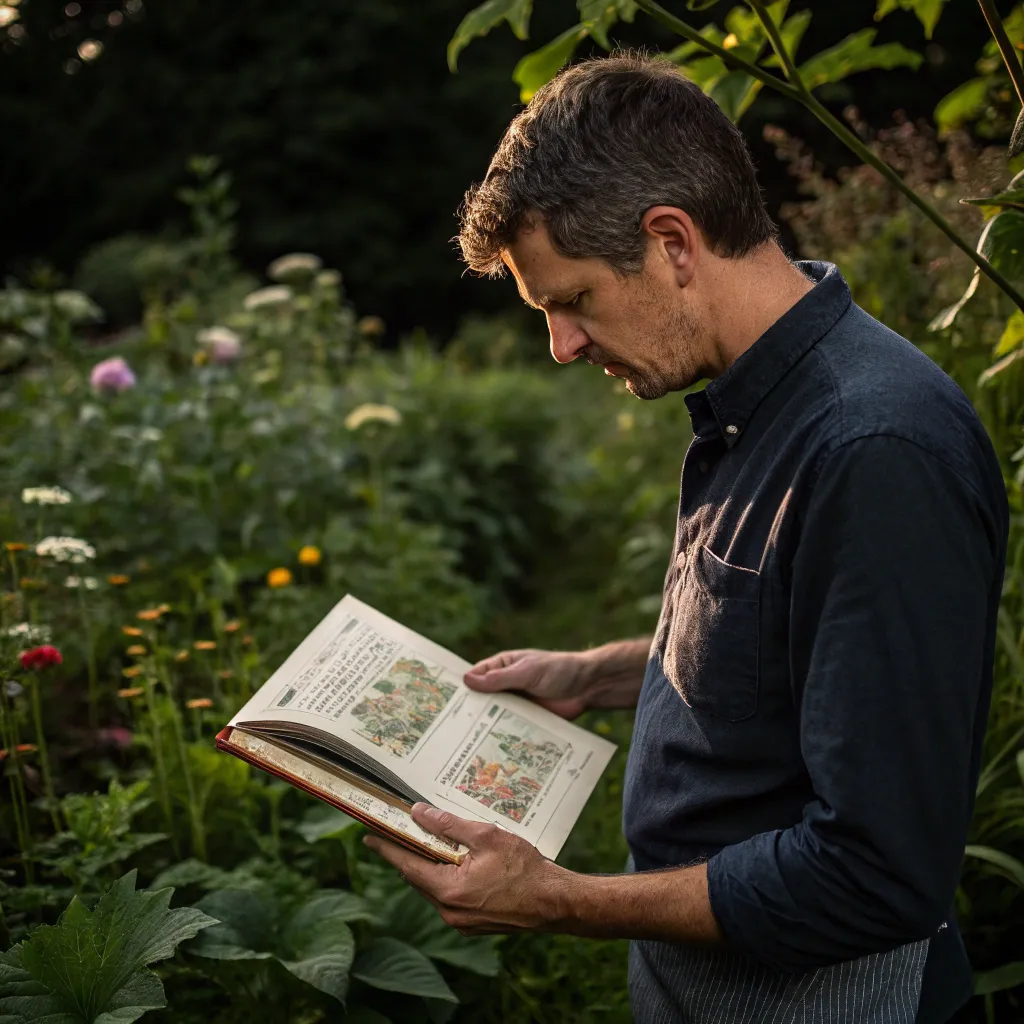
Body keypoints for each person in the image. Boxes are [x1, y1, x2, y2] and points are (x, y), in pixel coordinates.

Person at [362, 52, 1008, 1024]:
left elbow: (873, 874)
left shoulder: (873, 451)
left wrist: (554, 902)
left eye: (571, 300)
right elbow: (789, 643)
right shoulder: (753, 401)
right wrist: (602, 672)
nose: (562, 347)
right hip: (710, 980)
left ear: (671, 241)